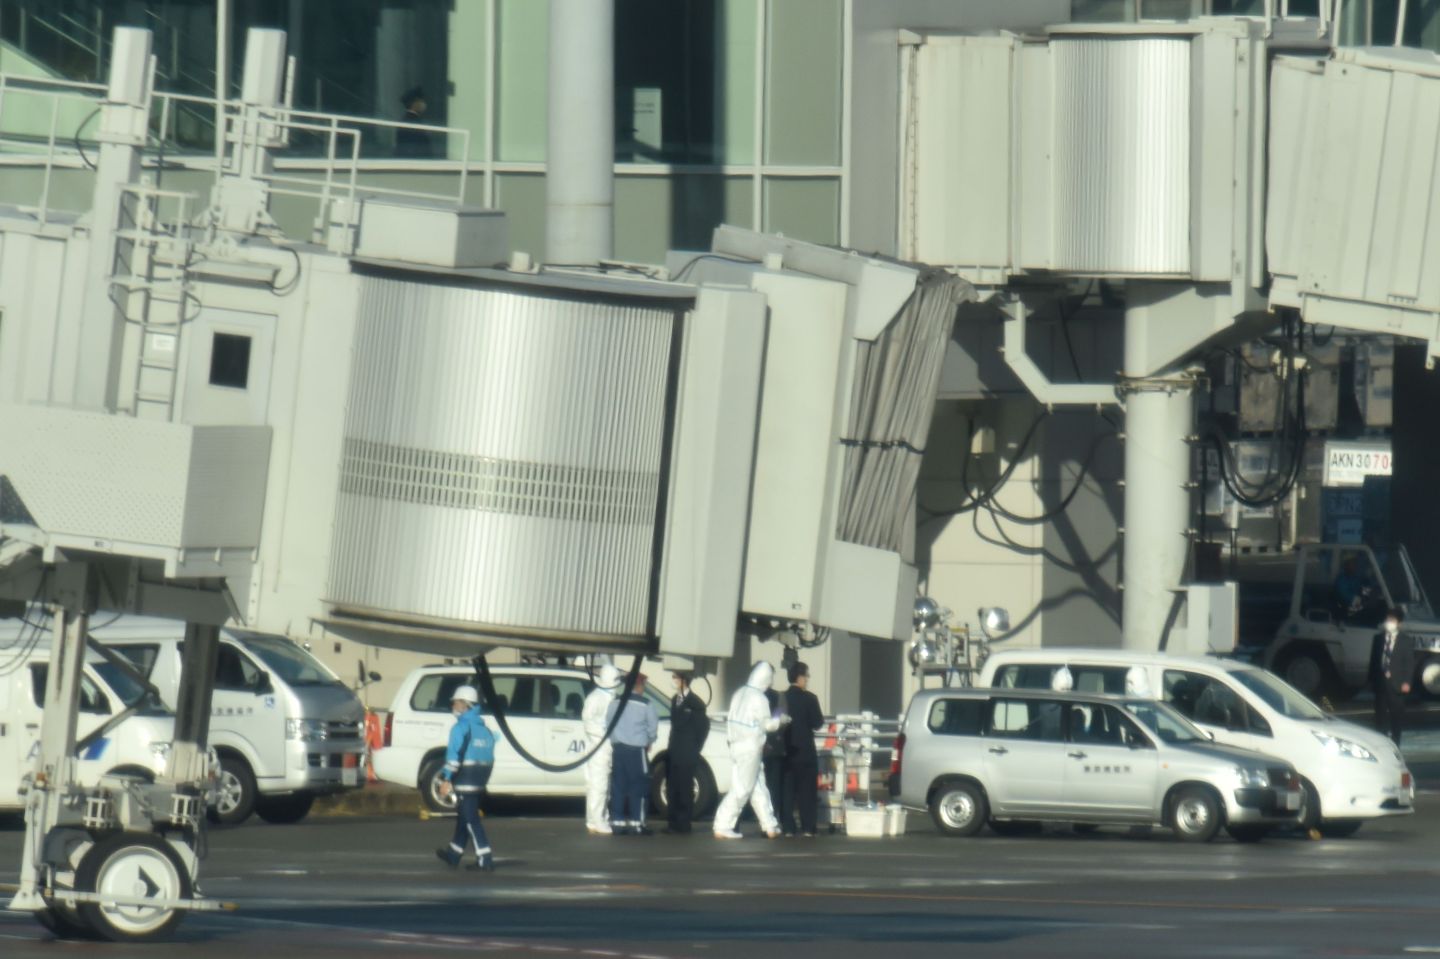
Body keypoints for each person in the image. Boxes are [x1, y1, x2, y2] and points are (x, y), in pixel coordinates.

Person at [713, 662, 789, 840]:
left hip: (735, 745)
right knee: (742, 789)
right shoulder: (759, 698)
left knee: (758, 787)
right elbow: (767, 725)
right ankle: (722, 824)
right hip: (751, 747)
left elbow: (731, 719)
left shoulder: (739, 693)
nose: (770, 684)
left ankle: (769, 824)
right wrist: (781, 720)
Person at [435, 685, 497, 871]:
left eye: (456, 701)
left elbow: (454, 756)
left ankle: (484, 858)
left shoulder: (460, 728)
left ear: (465, 704)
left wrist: (446, 779)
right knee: (464, 815)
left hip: (465, 778)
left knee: (470, 819)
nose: (453, 704)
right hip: (480, 778)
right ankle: (454, 854)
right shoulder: (483, 729)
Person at [606, 673, 658, 835]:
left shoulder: (614, 703)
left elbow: (608, 725)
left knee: (618, 786)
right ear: (639, 685)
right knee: (639, 786)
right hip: (637, 750)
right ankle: (637, 823)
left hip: (618, 749)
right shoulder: (645, 704)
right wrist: (650, 741)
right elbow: (652, 728)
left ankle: (617, 823)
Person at [780, 661, 825, 838]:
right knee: (807, 792)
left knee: (787, 791)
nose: (808, 679)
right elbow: (817, 723)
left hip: (787, 750)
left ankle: (788, 827)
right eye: (806, 676)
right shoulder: (810, 698)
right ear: (799, 678)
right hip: (806, 751)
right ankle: (808, 827)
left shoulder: (781, 698)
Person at [664, 671, 710, 835]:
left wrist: (694, 749)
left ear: (684, 680)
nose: (673, 681)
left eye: (676, 677)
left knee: (684, 788)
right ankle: (672, 823)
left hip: (688, 751)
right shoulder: (674, 700)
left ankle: (683, 824)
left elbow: (702, 728)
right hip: (674, 750)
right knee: (672, 787)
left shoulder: (696, 703)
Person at [582, 663, 622, 835]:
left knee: (601, 785)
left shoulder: (609, 698)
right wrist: (605, 733)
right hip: (598, 747)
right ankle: (597, 820)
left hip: (605, 746)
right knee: (599, 785)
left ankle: (596, 819)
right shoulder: (595, 699)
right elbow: (588, 722)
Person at [1370, 608, 1415, 745]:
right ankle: (1381, 744)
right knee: (1380, 717)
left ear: (1399, 624)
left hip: (1397, 683)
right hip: (1381, 683)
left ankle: (1396, 744)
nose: (1389, 623)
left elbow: (1409, 662)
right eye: (1387, 620)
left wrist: (1407, 682)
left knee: (1396, 718)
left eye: (1392, 620)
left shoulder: (1405, 641)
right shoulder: (1378, 638)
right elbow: (1373, 660)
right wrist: (1371, 680)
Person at [395, 86, 434, 157]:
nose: (423, 104)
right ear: (414, 103)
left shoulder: (408, 120)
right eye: (421, 101)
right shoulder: (411, 122)